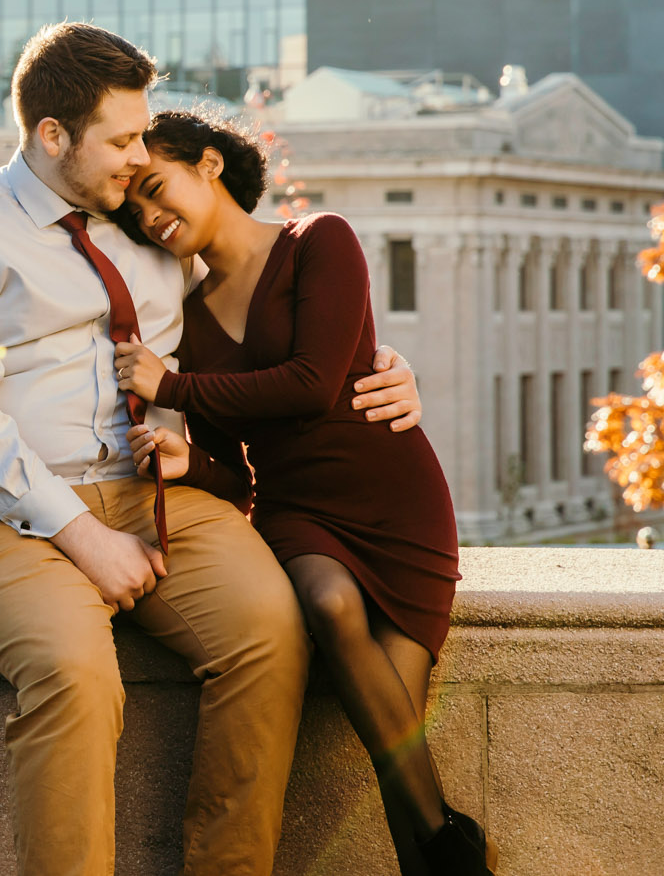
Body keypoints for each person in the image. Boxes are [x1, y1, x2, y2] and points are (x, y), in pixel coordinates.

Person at [0, 22, 422, 876]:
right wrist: (82, 534)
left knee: (272, 632)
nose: (140, 157)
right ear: (52, 135)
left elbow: (269, 324)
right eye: (123, 138)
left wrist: (384, 364)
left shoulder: (148, 231)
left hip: (154, 491)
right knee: (75, 674)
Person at [112, 106, 493, 876]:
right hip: (297, 513)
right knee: (326, 601)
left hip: (398, 501)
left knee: (396, 745)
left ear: (209, 165)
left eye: (157, 189)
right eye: (137, 210)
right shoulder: (185, 319)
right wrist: (192, 464)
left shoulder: (321, 239)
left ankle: (441, 854)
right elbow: (235, 472)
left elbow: (315, 385)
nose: (152, 216)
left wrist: (176, 387)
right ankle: (457, 844)